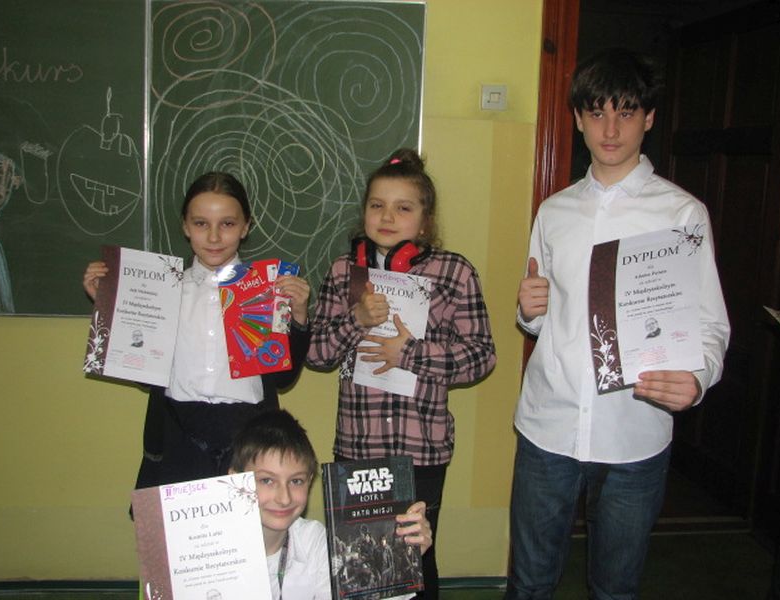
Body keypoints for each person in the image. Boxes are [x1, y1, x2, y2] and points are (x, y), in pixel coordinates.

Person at [508, 49, 730, 599]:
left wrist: (698, 377)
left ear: (648, 118)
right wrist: (528, 311)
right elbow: (542, 319)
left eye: (626, 113)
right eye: (597, 113)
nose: (610, 129)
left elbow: (710, 324)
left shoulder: (681, 214)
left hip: (635, 431)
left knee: (615, 589)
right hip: (548, 427)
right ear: (578, 119)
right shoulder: (554, 211)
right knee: (529, 583)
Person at [307, 148, 496, 599]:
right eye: (377, 205)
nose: (387, 216)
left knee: (417, 560)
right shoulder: (344, 272)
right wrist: (356, 319)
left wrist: (410, 353)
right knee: (361, 566)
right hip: (358, 446)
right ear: (364, 213)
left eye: (403, 208)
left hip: (422, 450)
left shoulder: (454, 273)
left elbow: (481, 356)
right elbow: (315, 354)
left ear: (425, 222)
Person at [82, 171, 311, 489]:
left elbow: (283, 380)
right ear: (185, 226)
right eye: (201, 223)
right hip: (178, 435)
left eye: (227, 224)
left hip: (248, 437)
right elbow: (145, 376)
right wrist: (110, 306)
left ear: (246, 226)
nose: (214, 237)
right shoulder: (162, 290)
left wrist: (298, 317)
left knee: (248, 521)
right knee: (172, 521)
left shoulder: (268, 289)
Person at [228, 409, 433, 600]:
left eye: (296, 481)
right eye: (267, 480)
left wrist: (407, 554)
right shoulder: (213, 545)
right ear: (234, 481)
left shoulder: (314, 541)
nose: (284, 498)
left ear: (310, 481)